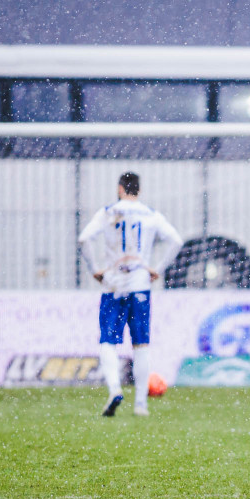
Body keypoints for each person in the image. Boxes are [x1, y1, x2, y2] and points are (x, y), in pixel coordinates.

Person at [79, 172, 183, 417]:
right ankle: (141, 404)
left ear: (119, 188)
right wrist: (157, 269)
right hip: (140, 286)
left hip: (114, 284)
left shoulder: (108, 212)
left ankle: (115, 389)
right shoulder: (151, 215)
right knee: (141, 344)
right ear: (139, 189)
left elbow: (84, 239)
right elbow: (176, 241)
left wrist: (95, 270)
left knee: (108, 341)